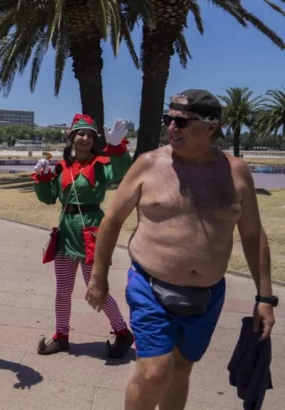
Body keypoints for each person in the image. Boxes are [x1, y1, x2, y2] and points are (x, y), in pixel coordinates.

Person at [85, 89, 277, 410]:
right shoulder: (148, 165)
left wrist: (265, 298)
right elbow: (112, 222)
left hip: (208, 294)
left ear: (212, 127)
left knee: (182, 368)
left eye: (182, 122)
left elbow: (254, 236)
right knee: (154, 371)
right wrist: (98, 277)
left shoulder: (236, 172)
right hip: (150, 286)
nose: (172, 128)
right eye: (168, 120)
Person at [31, 114, 134, 358]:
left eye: (90, 134)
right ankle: (61, 336)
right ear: (71, 137)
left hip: (92, 234)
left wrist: (118, 147)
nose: (85, 138)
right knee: (63, 290)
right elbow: (47, 198)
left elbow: (121, 171)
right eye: (80, 133)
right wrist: (44, 179)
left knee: (96, 288)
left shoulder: (101, 164)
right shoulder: (61, 167)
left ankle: (122, 332)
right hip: (66, 234)